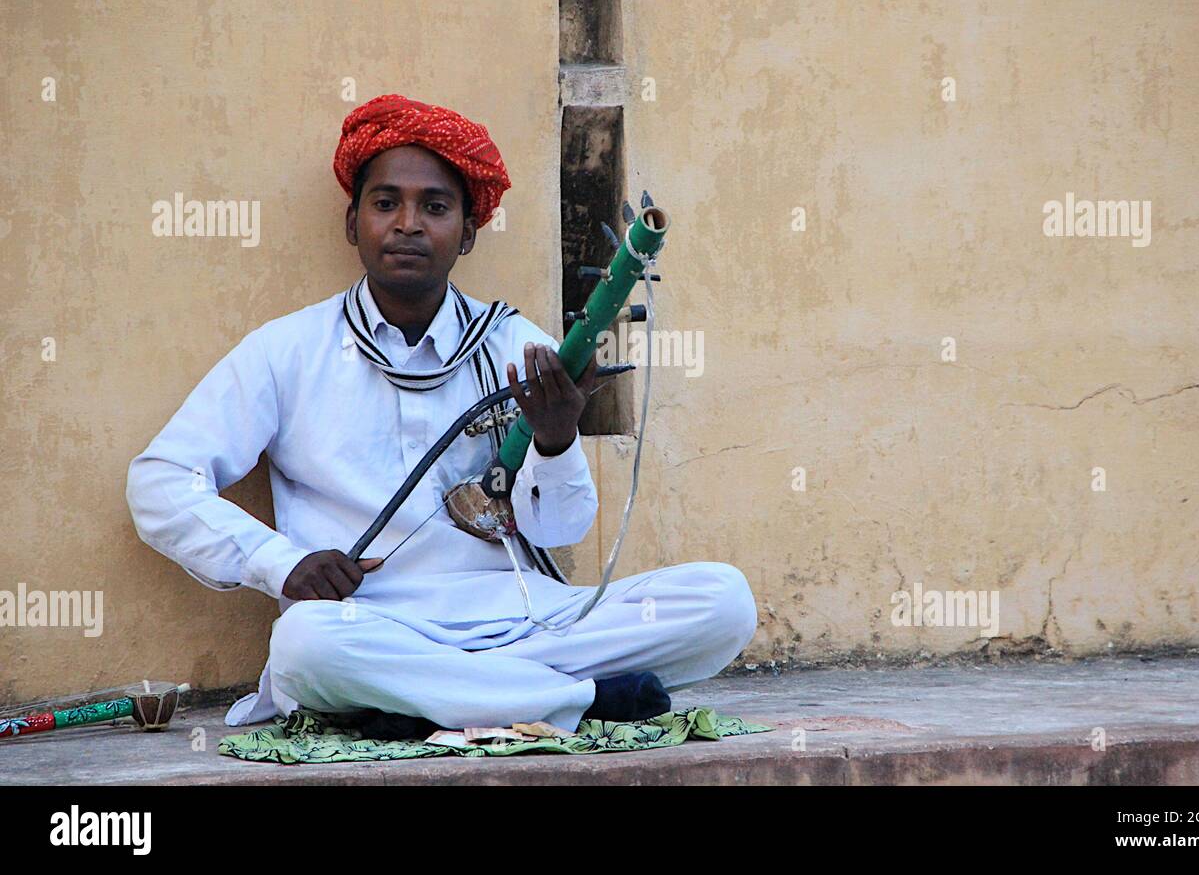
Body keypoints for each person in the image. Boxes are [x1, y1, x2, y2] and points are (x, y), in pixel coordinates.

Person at [126, 93, 757, 735]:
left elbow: (562, 528)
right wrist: (280, 562)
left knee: (723, 601)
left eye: (434, 206)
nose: (408, 223)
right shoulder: (286, 350)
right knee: (304, 647)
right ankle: (581, 702)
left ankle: (449, 698)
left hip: (525, 622)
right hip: (369, 625)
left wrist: (558, 437)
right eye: (385, 203)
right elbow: (160, 480)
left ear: (468, 231)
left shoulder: (514, 344)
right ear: (353, 224)